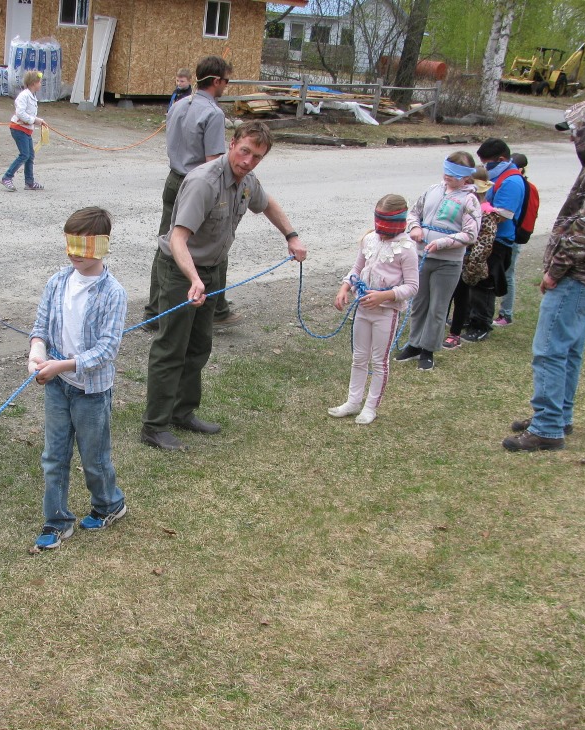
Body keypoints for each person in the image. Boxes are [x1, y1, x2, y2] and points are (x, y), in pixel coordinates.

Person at [141, 122, 307, 451]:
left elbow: (266, 202)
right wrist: (193, 280)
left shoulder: (246, 180)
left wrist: (291, 235)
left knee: (199, 345)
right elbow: (177, 238)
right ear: (232, 144)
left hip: (212, 271)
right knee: (170, 349)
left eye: (257, 157)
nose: (248, 161)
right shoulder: (204, 182)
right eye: (244, 151)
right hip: (180, 271)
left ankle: (182, 411)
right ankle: (154, 426)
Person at [503, 101, 585, 452]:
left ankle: (547, 427)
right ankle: (558, 416)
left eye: (578, 131)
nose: (574, 138)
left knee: (549, 350)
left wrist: (555, 270)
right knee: (569, 347)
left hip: (579, 275)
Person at [27, 207, 128, 549]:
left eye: (82, 246)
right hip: (57, 388)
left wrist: (64, 365)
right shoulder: (57, 283)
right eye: (70, 244)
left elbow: (106, 351)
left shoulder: (113, 293)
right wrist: (37, 353)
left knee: (94, 457)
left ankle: (109, 504)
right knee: (54, 457)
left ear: (100, 247)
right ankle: (57, 520)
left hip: (91, 393)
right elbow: (40, 326)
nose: (73, 253)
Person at [143, 56, 242, 332]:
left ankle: (154, 311)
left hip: (174, 180)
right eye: (226, 81)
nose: (227, 86)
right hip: (199, 187)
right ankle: (217, 308)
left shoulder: (178, 105)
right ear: (216, 81)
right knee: (214, 246)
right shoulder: (213, 114)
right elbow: (214, 161)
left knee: (167, 244)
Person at [329, 195, 418, 424]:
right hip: (363, 309)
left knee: (379, 361)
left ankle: (370, 407)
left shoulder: (406, 249)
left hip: (386, 313)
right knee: (359, 357)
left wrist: (384, 296)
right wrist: (345, 287)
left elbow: (412, 286)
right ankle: (353, 401)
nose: (382, 233)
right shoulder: (369, 239)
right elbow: (357, 267)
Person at [397, 152, 481, 370]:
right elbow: (414, 213)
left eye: (454, 174)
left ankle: (428, 349)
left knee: (438, 307)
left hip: (448, 262)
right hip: (422, 256)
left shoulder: (470, 200)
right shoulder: (433, 190)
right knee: (419, 302)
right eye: (447, 171)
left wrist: (443, 242)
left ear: (466, 177)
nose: (448, 177)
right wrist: (415, 227)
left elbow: (471, 234)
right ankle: (414, 344)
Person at [461, 138, 525, 342]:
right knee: (473, 280)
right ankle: (470, 319)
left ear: (502, 159)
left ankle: (481, 325)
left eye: (488, 162)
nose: (485, 166)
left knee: (485, 283)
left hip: (497, 241)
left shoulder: (512, 181)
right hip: (479, 238)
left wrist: (479, 212)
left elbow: (504, 214)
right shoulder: (494, 177)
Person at [445, 168, 502, 349]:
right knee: (447, 296)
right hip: (454, 260)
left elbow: (484, 244)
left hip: (468, 264)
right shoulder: (463, 208)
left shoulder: (487, 214)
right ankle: (444, 326)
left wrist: (470, 267)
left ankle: (464, 331)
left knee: (464, 298)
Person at [494, 152, 528, 327]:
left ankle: (506, 313)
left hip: (512, 237)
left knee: (507, 274)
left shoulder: (519, 185)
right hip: (504, 236)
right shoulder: (508, 182)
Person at [1, 71, 47, 192]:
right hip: (18, 129)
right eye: (39, 82)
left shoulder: (31, 96)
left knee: (30, 156)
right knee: (25, 155)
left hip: (26, 130)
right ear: (33, 83)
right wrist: (34, 120)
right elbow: (20, 113)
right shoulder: (24, 96)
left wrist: (39, 121)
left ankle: (29, 182)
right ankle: (7, 177)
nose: (40, 84)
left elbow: (29, 114)